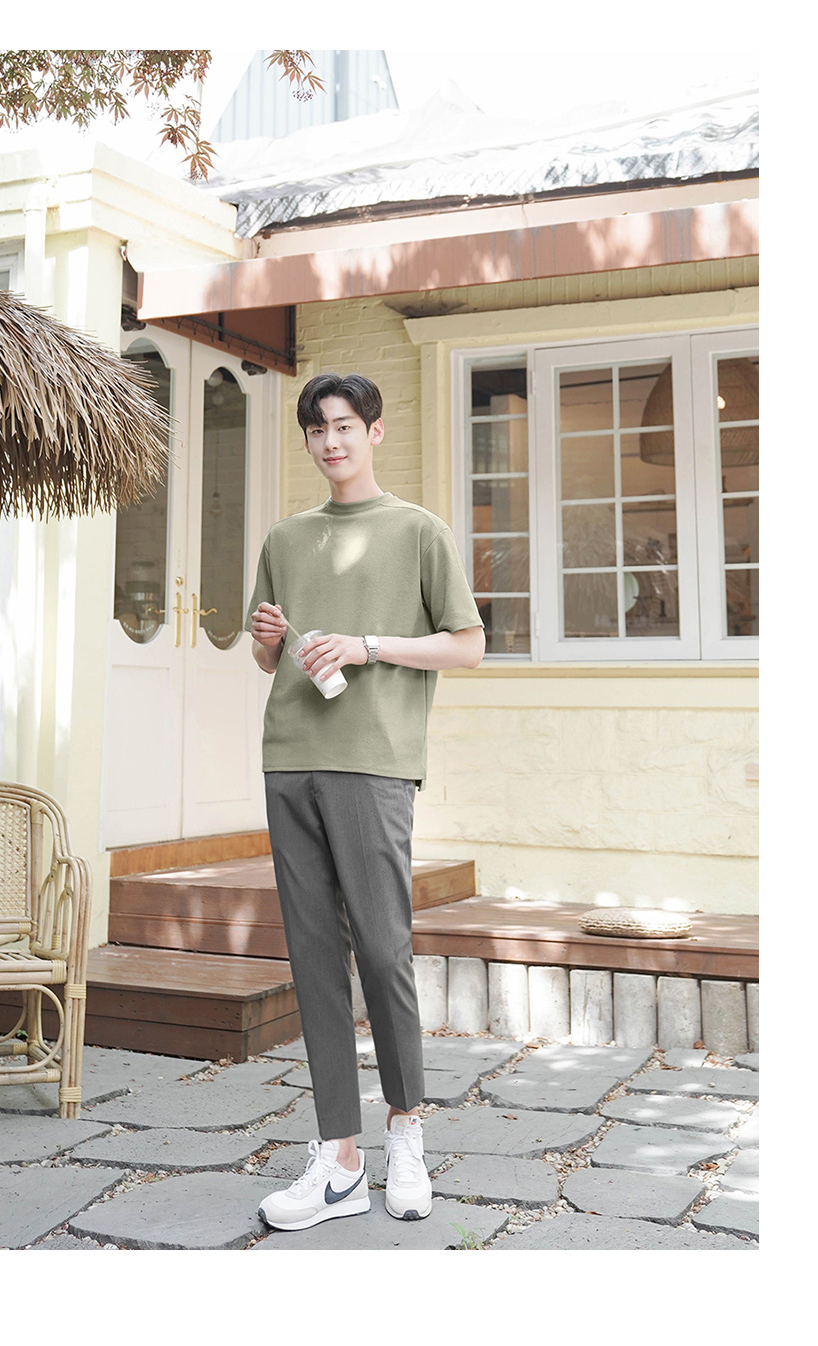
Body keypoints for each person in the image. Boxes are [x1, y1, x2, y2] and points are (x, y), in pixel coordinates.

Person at [245, 371, 485, 1232]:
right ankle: (339, 1158)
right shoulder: (285, 537)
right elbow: (267, 657)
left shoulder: (418, 531)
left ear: (374, 431)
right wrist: (267, 641)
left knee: (383, 951)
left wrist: (369, 645)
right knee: (313, 959)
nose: (331, 442)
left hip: (374, 764)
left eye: (344, 425)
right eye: (317, 430)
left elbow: (468, 646)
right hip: (291, 759)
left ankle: (406, 1131)